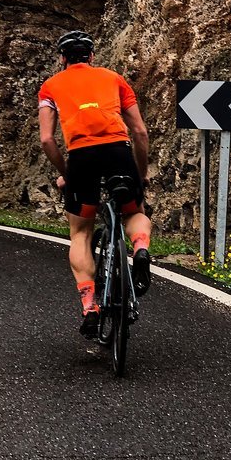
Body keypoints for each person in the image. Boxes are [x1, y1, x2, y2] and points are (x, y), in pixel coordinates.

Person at [38, 30, 152, 339]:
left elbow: (47, 139)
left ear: (63, 59)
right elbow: (139, 132)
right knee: (133, 211)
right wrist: (140, 175)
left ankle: (90, 306)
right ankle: (140, 247)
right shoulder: (114, 78)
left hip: (82, 158)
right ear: (91, 56)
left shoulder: (50, 86)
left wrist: (67, 173)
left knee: (80, 231)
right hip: (118, 151)